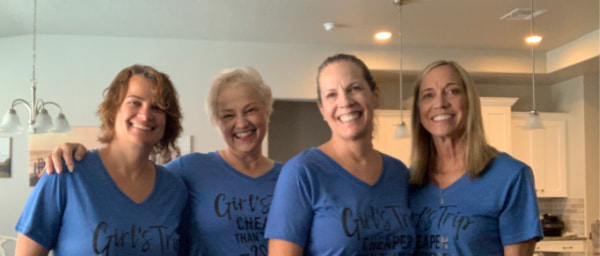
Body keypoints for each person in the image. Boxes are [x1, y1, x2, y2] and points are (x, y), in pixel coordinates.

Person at [43, 66, 282, 255]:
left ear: (267, 110)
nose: (241, 123)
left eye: (250, 110)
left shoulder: (293, 176)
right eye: (228, 115)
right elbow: (127, 172)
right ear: (217, 121)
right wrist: (71, 152)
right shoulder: (190, 170)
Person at [15, 64, 188, 255]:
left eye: (157, 107)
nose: (145, 115)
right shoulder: (66, 172)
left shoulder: (174, 188)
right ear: (114, 110)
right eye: (134, 102)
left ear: (167, 120)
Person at [264, 53, 415, 255]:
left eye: (354, 88)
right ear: (322, 109)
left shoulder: (398, 173)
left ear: (375, 95)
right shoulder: (302, 172)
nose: (345, 102)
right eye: (331, 94)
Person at [408, 60, 543, 255]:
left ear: (470, 101)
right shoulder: (409, 182)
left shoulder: (510, 177)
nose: (440, 103)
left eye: (452, 91)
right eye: (428, 95)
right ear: (419, 110)